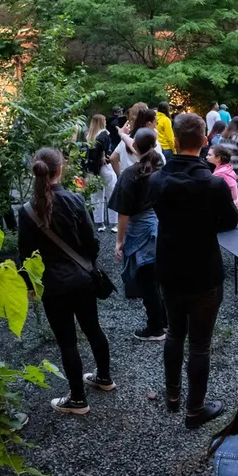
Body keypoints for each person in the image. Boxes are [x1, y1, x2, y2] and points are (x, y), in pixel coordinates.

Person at [150, 112, 238, 428]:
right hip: (204, 270)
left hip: (170, 267)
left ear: (175, 141)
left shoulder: (157, 180)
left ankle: (173, 397)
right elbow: (230, 221)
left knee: (175, 332)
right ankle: (194, 410)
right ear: (204, 142)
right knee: (199, 343)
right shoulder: (214, 185)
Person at [16, 147, 113, 416]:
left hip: (52, 284)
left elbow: (25, 254)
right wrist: (88, 264)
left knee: (67, 341)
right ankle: (104, 377)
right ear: (60, 170)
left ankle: (78, 399)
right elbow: (92, 243)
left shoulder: (26, 211)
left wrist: (29, 285)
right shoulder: (75, 200)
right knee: (94, 329)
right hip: (82, 279)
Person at [109, 128, 166, 343]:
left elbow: (123, 213)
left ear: (134, 147)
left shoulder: (130, 174)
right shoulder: (161, 167)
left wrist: (119, 241)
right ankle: (165, 320)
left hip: (141, 228)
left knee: (146, 280)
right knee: (158, 277)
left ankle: (155, 327)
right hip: (161, 226)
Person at [84, 113, 117, 231]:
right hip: (105, 166)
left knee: (96, 195)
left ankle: (99, 222)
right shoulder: (105, 134)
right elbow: (105, 148)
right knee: (111, 193)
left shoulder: (89, 136)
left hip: (93, 168)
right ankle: (114, 222)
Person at [207, 142, 238, 210]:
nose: (206, 157)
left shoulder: (220, 174)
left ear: (218, 158)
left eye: (209, 155)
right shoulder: (226, 170)